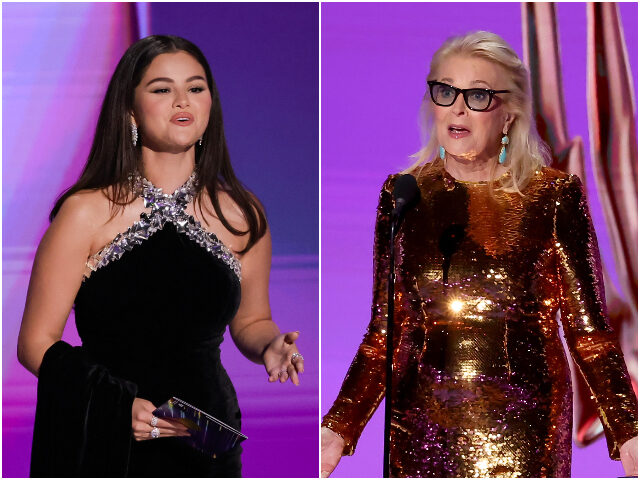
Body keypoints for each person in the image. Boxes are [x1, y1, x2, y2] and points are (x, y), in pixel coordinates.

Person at [321, 31, 637, 478]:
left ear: (508, 115)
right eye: (446, 91)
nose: (458, 107)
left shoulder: (552, 196)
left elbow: (589, 331)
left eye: (478, 95)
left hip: (524, 425)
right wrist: (337, 429)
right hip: (417, 429)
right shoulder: (404, 194)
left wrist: (628, 428)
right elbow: (384, 334)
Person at [17, 35, 304, 478]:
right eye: (161, 89)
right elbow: (36, 343)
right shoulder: (86, 212)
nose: (181, 100)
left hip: (205, 437)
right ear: (129, 110)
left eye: (195, 87)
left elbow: (250, 321)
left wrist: (270, 345)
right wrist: (113, 405)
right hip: (111, 439)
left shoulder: (242, 214)